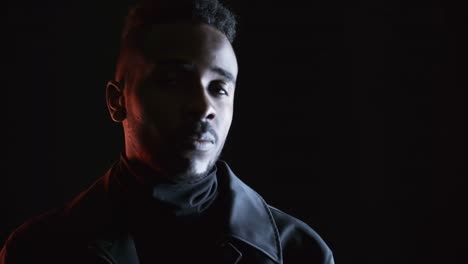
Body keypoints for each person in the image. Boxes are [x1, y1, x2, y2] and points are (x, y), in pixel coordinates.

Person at [1, 0, 334, 263]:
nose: (203, 106)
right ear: (117, 101)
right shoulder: (38, 251)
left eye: (218, 87)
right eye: (173, 82)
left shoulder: (300, 253)